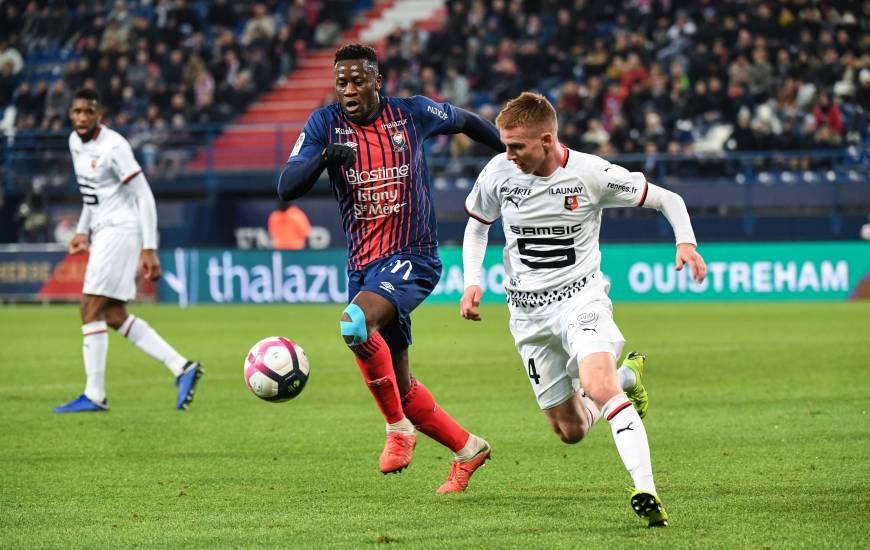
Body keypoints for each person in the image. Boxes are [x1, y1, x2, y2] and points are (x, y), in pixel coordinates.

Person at [460, 92, 707, 526]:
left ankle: (646, 488)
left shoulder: (591, 174)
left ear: (547, 139)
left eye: (517, 146)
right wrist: (472, 281)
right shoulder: (498, 173)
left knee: (597, 385)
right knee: (569, 431)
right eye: (505, 145)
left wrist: (685, 241)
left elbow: (669, 199)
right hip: (527, 316)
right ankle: (628, 375)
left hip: (581, 300)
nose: (509, 154)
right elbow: (477, 227)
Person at [277, 43, 505, 493]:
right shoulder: (324, 124)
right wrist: (323, 159)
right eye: (341, 81)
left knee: (354, 324)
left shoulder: (411, 114)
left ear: (377, 81)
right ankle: (468, 449)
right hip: (364, 265)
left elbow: (465, 121)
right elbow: (287, 186)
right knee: (401, 387)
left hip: (414, 257)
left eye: (359, 79)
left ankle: (398, 431)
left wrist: (511, 152)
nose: (349, 89)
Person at [53, 88, 204, 413]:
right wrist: (81, 230)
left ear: (99, 115)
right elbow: (91, 194)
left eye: (87, 112)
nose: (81, 118)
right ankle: (183, 367)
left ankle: (95, 395)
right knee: (112, 314)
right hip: (101, 230)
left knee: (89, 308)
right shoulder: (74, 142)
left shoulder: (115, 147)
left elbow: (144, 196)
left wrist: (150, 249)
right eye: (76, 111)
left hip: (121, 230)